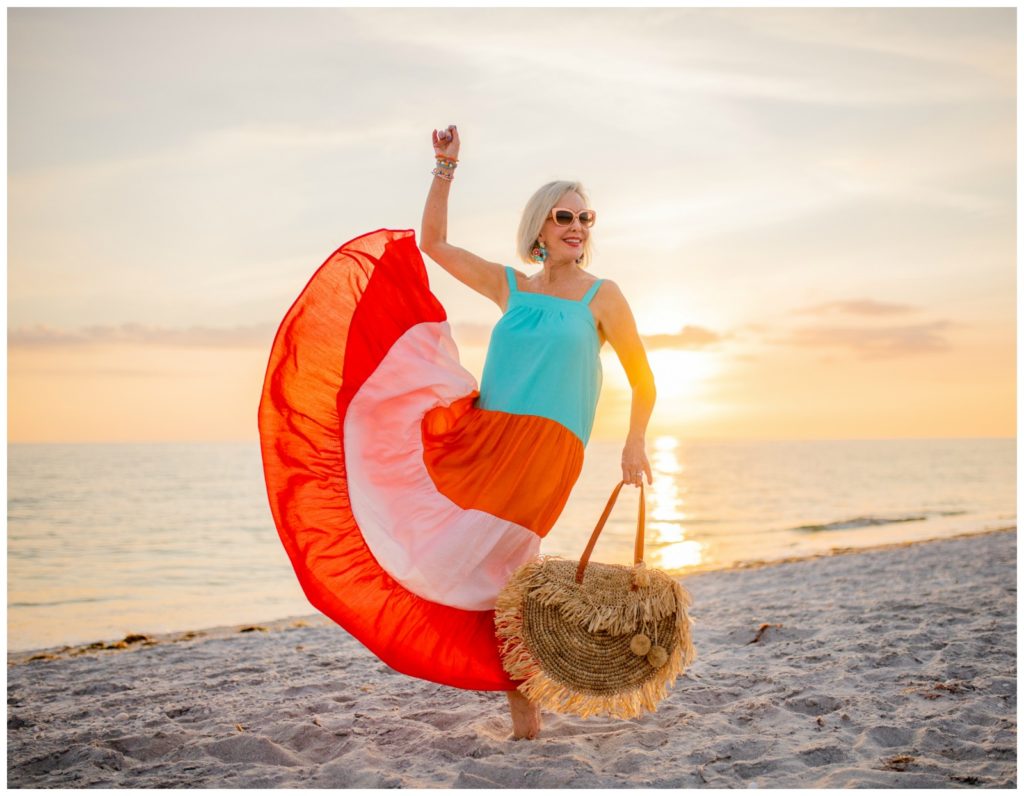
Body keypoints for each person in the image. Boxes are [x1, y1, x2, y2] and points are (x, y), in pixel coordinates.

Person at [257, 124, 656, 742]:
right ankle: (525, 719)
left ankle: (524, 713)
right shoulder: (512, 286)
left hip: (545, 452)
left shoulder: (604, 297)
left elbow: (643, 378)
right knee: (489, 572)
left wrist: (634, 443)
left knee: (507, 568)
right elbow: (434, 244)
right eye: (564, 215)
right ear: (540, 228)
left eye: (586, 216)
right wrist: (445, 168)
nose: (577, 226)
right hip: (479, 435)